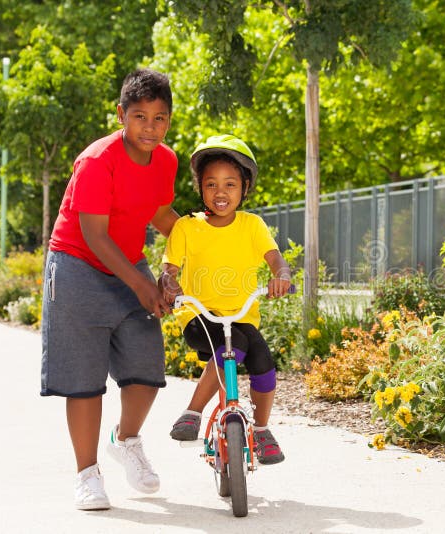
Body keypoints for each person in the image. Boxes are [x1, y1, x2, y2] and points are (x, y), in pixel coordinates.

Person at [41, 68, 179, 511]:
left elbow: (162, 216)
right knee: (84, 379)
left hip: (127, 262)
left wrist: (205, 246)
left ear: (169, 121)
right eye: (140, 116)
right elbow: (95, 235)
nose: (150, 127)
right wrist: (142, 284)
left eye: (160, 118)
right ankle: (87, 475)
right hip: (78, 264)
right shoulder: (98, 161)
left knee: (146, 364)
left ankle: (126, 439)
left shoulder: (167, 161)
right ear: (122, 115)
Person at [158, 134, 292, 465]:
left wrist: (282, 276)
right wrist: (169, 283)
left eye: (230, 184)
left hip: (242, 316)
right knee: (234, 345)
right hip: (198, 315)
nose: (221, 192)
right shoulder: (187, 227)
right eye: (211, 184)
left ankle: (260, 430)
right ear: (201, 188)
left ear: (244, 188)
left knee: (262, 361)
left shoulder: (252, 225)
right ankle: (193, 412)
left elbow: (276, 260)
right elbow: (169, 269)